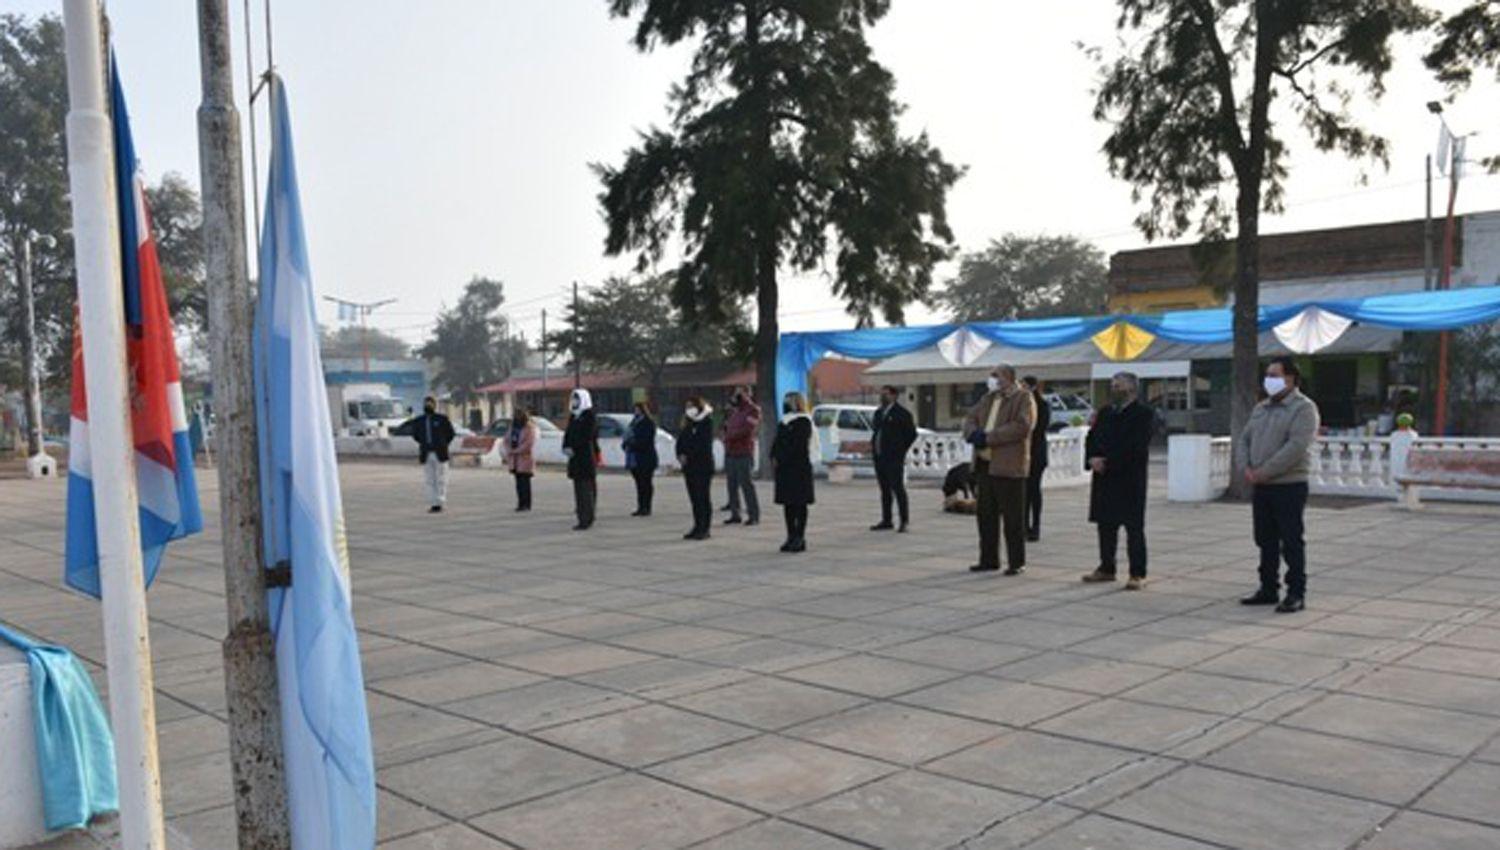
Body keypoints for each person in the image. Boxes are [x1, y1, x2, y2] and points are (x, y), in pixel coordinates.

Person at [1240, 358, 1321, 613]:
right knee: (1265, 539)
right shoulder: (1261, 407)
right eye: (1267, 375)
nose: (1268, 380)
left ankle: (1296, 592)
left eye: (1274, 375)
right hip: (1261, 486)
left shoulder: (1303, 408)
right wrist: (1246, 468)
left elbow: (1296, 448)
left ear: (1290, 378)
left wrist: (1264, 472)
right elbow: (1244, 438)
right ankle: (1267, 588)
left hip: (1288, 485)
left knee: (1291, 540)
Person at [1080, 373, 1154, 590]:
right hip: (1104, 478)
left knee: (1134, 528)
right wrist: (1092, 458)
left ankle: (1137, 573)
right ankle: (1106, 567)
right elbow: (1092, 437)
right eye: (1113, 385)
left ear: (1132, 388)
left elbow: (1136, 446)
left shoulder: (1143, 414)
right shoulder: (1106, 412)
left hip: (1129, 478)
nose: (1114, 389)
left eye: (1119, 385)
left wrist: (1109, 462)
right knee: (1105, 526)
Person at [963, 365, 1036, 575]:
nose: (992, 379)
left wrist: (989, 437)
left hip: (1008, 466)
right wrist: (972, 433)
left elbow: (1022, 426)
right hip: (985, 465)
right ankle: (988, 559)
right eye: (992, 375)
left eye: (997, 375)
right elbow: (970, 418)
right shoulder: (988, 398)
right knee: (985, 516)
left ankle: (1016, 562)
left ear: (1009, 377)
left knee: (1013, 518)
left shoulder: (1023, 398)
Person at [772, 392, 818, 553]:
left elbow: (799, 445)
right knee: (788, 504)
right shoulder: (784, 421)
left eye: (788, 401)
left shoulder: (803, 421)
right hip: (784, 469)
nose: (785, 404)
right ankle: (790, 535)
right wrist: (774, 456)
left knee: (800, 503)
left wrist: (783, 456)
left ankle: (800, 537)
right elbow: (777, 441)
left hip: (799, 468)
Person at [870, 385, 918, 532]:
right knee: (884, 490)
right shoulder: (879, 413)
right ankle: (887, 520)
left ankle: (904, 521)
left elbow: (911, 434)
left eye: (886, 394)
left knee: (898, 489)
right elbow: (876, 431)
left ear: (894, 396)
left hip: (894, 458)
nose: (882, 397)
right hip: (880, 457)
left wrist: (900, 450)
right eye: (881, 394)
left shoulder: (902, 414)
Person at [402, 396, 455, 513]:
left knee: (441, 478)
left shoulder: (442, 419)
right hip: (426, 453)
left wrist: (442, 443)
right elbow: (415, 435)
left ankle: (440, 501)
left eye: (430, 403)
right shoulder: (419, 420)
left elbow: (450, 434)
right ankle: (433, 503)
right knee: (429, 479)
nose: (428, 405)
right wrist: (425, 443)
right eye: (426, 403)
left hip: (440, 453)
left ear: (435, 405)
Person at [720, 386, 761, 526]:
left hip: (744, 451)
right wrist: (726, 435)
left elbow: (748, 430)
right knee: (731, 485)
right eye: (736, 393)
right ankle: (735, 513)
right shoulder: (735, 411)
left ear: (747, 394)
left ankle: (753, 515)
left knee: (746, 484)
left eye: (740, 393)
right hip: (731, 451)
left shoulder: (753, 410)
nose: (736, 395)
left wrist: (730, 436)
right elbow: (727, 426)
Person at [678, 395, 716, 540]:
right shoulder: (688, 423)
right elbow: (681, 440)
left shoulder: (706, 421)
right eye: (687, 406)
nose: (688, 409)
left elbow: (703, 444)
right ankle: (697, 525)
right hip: (689, 467)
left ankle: (705, 528)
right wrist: (680, 453)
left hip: (702, 465)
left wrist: (689, 454)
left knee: (703, 497)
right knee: (694, 498)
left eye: (691, 406)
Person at [562, 388, 600, 530]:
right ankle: (581, 515)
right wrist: (566, 446)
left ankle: (587, 519)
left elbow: (587, 436)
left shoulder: (589, 416)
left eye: (577, 398)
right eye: (574, 398)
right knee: (578, 489)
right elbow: (568, 433)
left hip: (585, 457)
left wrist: (574, 446)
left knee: (586, 490)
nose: (575, 401)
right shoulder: (573, 416)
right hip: (575, 459)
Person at [1022, 376, 1052, 541]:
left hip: (1037, 453)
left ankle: (1036, 526)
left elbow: (1040, 429)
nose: (1022, 388)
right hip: (1024, 454)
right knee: (1024, 492)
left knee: (1034, 490)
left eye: (1025, 385)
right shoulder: (1022, 404)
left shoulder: (1042, 405)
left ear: (1033, 387)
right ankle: (1024, 525)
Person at [623, 401, 659, 516]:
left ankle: (646, 507)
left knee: (646, 483)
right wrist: (626, 444)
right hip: (635, 458)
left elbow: (646, 440)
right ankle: (640, 506)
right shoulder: (634, 422)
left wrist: (634, 444)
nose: (636, 411)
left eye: (638, 409)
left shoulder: (648, 423)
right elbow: (628, 435)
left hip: (646, 457)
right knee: (639, 483)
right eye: (635, 409)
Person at [503, 409, 537, 512]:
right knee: (518, 483)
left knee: (524, 482)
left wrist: (517, 450)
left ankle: (527, 504)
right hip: (515, 460)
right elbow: (506, 440)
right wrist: (509, 449)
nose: (516, 417)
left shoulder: (529, 428)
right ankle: (520, 503)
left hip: (525, 458)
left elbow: (529, 443)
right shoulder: (513, 427)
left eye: (518, 415)